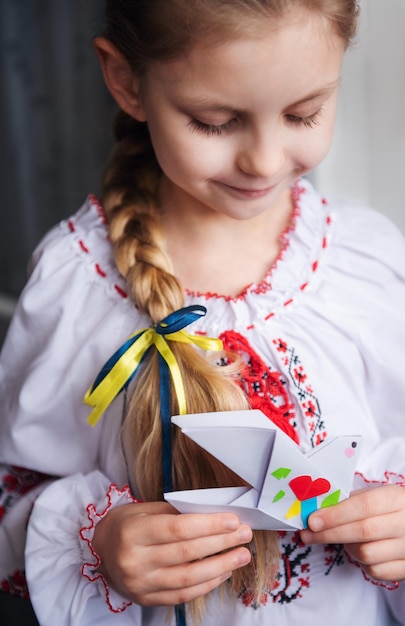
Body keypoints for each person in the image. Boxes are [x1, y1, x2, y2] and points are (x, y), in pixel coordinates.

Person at [1, 0, 405, 624]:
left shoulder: (368, 261)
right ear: (127, 82)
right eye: (216, 121)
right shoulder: (74, 284)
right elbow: (14, 490)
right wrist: (101, 540)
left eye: (304, 113)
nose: (265, 161)